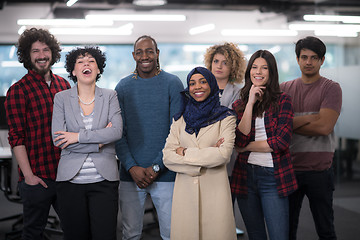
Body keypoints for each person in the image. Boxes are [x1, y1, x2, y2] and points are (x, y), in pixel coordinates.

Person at [115, 35, 184, 240]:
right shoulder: (123, 87)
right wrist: (132, 167)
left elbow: (177, 131)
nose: (144, 56)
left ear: (157, 54)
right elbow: (119, 133)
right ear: (134, 55)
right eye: (139, 52)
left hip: (167, 173)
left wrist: (156, 167)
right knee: (130, 234)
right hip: (130, 175)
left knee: (172, 234)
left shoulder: (172, 83)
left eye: (149, 51)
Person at [4, 28, 71, 239]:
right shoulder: (18, 91)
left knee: (76, 229)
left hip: (65, 175)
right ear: (27, 55)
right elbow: (16, 138)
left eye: (45, 49)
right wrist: (29, 177)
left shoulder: (64, 85)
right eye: (35, 51)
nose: (41, 55)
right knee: (33, 233)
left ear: (52, 52)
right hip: (37, 178)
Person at [51, 46, 122, 240]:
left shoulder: (110, 96)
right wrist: (98, 142)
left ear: (98, 69)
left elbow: (116, 131)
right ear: (73, 71)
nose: (86, 64)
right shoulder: (61, 98)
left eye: (91, 61)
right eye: (80, 62)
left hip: (104, 182)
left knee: (105, 236)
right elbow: (58, 139)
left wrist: (77, 137)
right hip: (70, 182)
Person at [163, 66, 237, 240]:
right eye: (192, 83)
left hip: (215, 194)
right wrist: (209, 152)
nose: (197, 87)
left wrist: (185, 152)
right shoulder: (180, 119)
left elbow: (223, 155)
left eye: (203, 82)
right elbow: (167, 156)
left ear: (211, 85)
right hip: (185, 195)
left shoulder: (226, 117)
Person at [231, 50, 298, 240]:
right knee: (256, 236)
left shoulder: (283, 101)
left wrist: (246, 148)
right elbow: (239, 140)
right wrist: (250, 103)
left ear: (271, 72)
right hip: (245, 176)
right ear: (249, 71)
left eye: (264, 67)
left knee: (279, 236)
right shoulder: (239, 105)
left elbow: (280, 143)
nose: (258, 71)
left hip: (273, 176)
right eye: (254, 67)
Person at [280, 36, 342, 240]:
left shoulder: (331, 88)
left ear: (322, 60)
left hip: (319, 171)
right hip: (289, 168)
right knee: (286, 230)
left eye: (314, 58)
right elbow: (277, 127)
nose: (308, 62)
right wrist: (312, 117)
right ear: (297, 59)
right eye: (304, 57)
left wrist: (289, 125)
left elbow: (324, 127)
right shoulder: (284, 89)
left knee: (325, 230)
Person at [204, 42, 247, 235]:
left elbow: (233, 121)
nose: (219, 66)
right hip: (203, 153)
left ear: (233, 67)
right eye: (216, 61)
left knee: (226, 202)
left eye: (225, 62)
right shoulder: (201, 87)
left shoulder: (240, 92)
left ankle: (226, 231)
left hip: (228, 155)